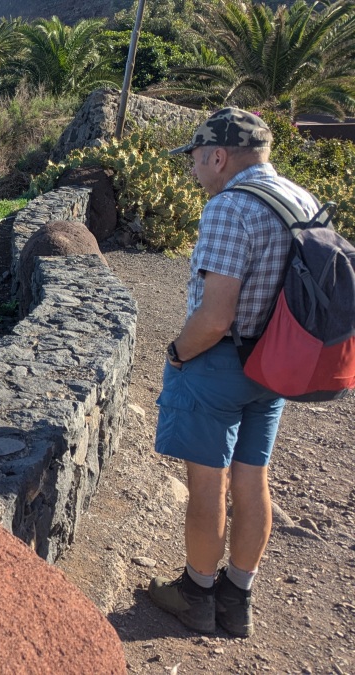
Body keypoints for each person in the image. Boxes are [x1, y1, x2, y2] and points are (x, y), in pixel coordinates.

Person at [147, 107, 318, 637]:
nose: (194, 170)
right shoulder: (302, 200)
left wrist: (178, 352)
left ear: (218, 156)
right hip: (277, 363)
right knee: (252, 479)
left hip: (220, 363)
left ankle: (196, 594)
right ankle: (237, 600)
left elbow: (217, 315)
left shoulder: (228, 207)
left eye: (196, 159)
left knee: (207, 483)